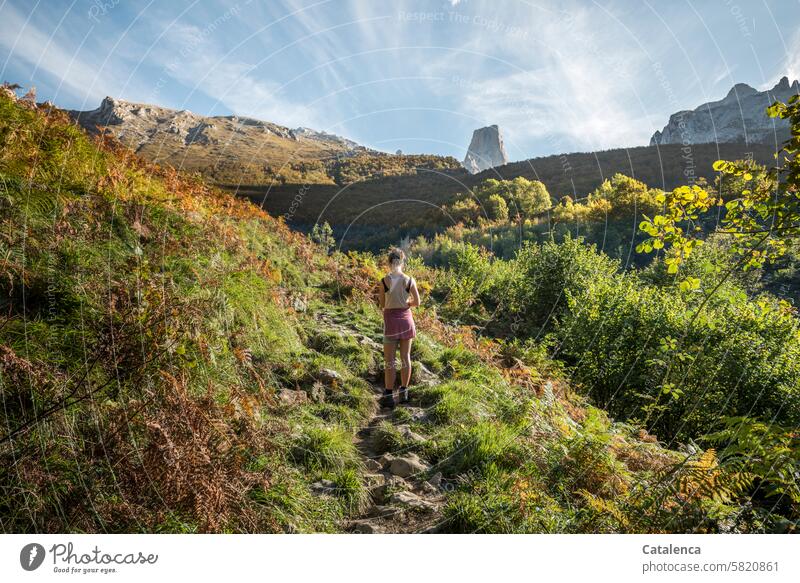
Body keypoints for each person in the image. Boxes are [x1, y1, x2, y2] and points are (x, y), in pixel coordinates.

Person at [377, 247, 420, 408]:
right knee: (405, 358)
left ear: (389, 263)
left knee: (389, 361)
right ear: (402, 262)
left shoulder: (384, 281)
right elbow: (417, 302)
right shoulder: (409, 280)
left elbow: (382, 304)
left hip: (391, 322)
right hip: (406, 321)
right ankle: (404, 393)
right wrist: (406, 303)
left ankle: (388, 395)